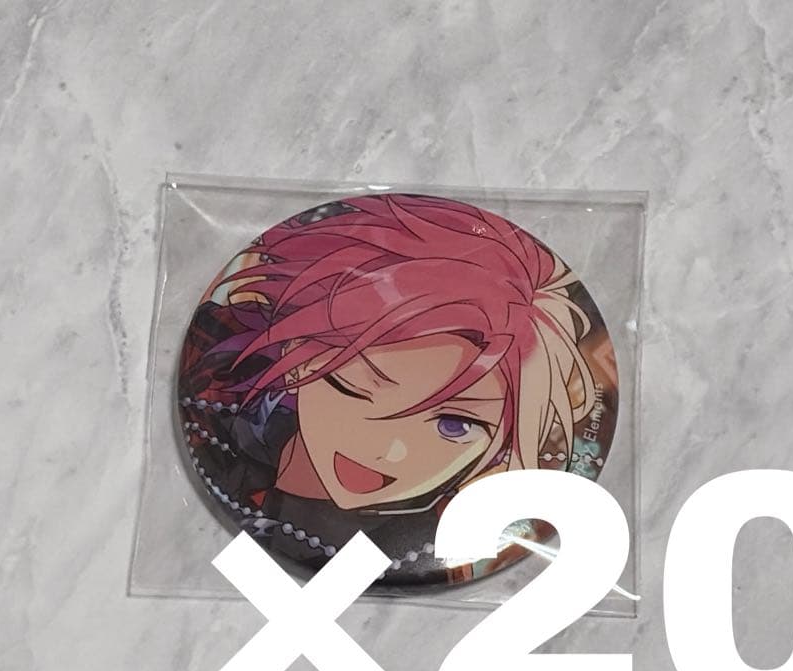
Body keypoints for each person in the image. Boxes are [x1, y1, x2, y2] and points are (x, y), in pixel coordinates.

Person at [178, 193, 613, 584]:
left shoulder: (449, 541)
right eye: (353, 387)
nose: (389, 451)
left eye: (455, 425)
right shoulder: (215, 414)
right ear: (296, 358)